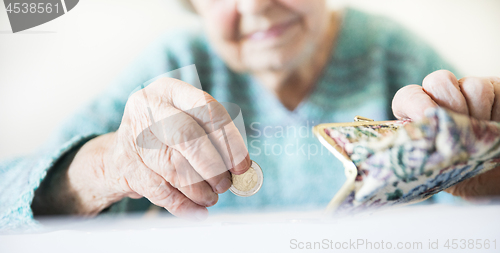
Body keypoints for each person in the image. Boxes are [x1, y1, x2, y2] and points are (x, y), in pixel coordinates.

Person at [1, 0, 499, 229]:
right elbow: (9, 205)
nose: (257, 5)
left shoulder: (392, 53)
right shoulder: (171, 67)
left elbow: (470, 215)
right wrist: (106, 167)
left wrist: (487, 178)